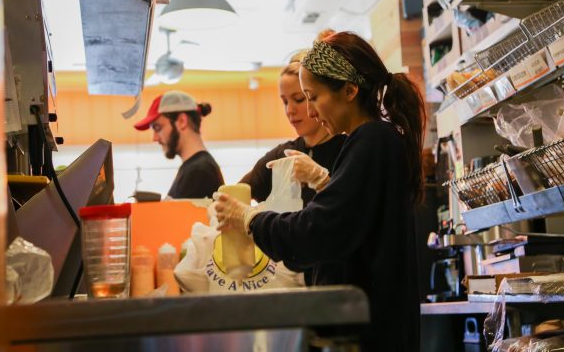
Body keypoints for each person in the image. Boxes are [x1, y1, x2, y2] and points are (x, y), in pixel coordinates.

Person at [214, 32, 426, 351]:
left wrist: (249, 219)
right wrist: (327, 184)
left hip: (371, 336)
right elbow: (353, 228)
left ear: (350, 90)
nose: (310, 111)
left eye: (312, 97)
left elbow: (315, 233)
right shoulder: (373, 141)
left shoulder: (371, 142)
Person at [239, 52, 346, 204]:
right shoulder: (280, 155)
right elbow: (238, 193)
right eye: (285, 102)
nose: (290, 110)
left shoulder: (347, 150)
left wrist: (320, 180)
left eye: (299, 99)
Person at [134, 90, 224, 199]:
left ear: (182, 121)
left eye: (158, 128)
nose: (154, 138)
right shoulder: (193, 168)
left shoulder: (199, 171)